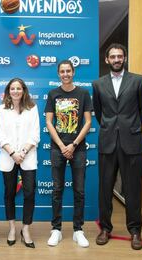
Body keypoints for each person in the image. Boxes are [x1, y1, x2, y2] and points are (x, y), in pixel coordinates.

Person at [92, 43, 142, 250]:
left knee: (133, 189)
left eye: (120, 56)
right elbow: (99, 113)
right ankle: (105, 228)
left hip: (132, 142)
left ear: (124, 58)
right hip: (107, 142)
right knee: (105, 189)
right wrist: (112, 128)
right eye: (113, 56)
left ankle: (135, 231)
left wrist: (129, 127)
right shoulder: (98, 84)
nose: (117, 59)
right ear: (107, 60)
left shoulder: (138, 80)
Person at [44, 60, 92, 248]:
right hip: (57, 148)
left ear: (73, 72)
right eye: (62, 71)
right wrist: (62, 146)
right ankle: (56, 229)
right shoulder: (52, 94)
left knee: (79, 190)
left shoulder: (83, 93)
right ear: (58, 74)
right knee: (57, 190)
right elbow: (49, 122)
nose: (65, 74)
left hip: (78, 148)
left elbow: (88, 122)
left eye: (68, 71)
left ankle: (78, 230)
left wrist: (73, 144)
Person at [0, 78, 40, 249]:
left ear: (24, 90)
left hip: (27, 156)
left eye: (18, 88)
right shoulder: (2, 109)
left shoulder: (32, 108)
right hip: (8, 156)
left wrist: (22, 152)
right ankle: (12, 229)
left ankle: (26, 229)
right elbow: (0, 136)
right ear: (8, 91)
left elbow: (35, 134)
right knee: (9, 194)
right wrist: (13, 153)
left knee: (29, 194)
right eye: (12, 88)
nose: (15, 91)